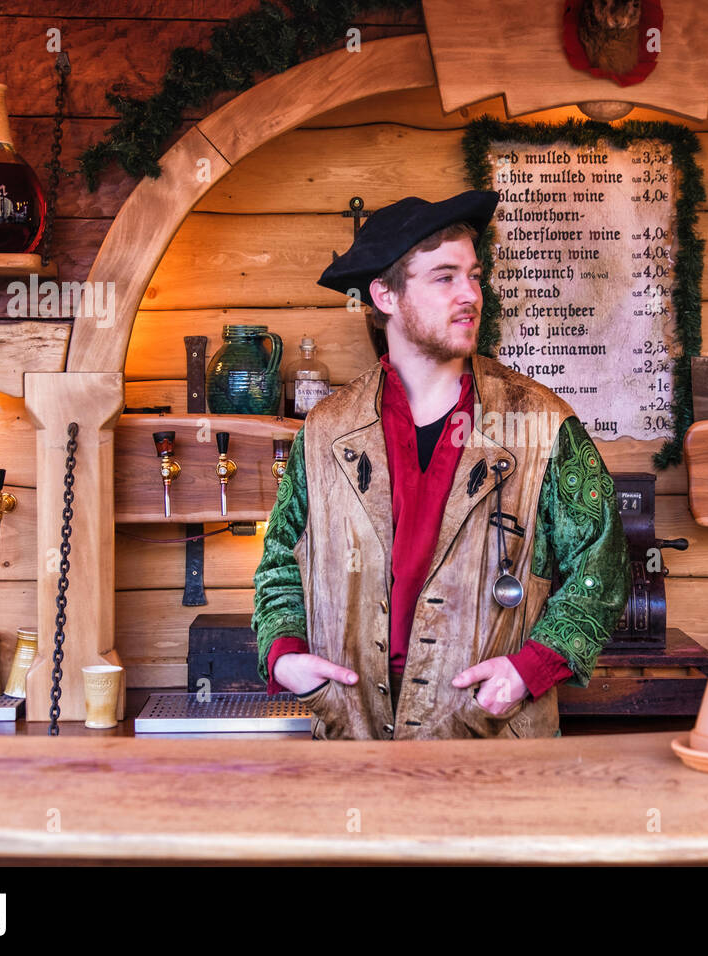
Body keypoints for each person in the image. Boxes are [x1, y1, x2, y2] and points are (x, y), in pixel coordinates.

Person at [252, 188, 629, 739]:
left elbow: (602, 564)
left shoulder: (542, 423)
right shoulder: (326, 430)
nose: (470, 295)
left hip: (493, 741)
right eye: (444, 277)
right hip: (355, 737)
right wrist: (286, 657)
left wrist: (529, 671)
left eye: (474, 276)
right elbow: (280, 559)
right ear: (384, 295)